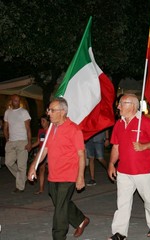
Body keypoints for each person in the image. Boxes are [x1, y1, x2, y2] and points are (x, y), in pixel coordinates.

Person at [28, 97, 89, 240]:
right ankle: (81, 219)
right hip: (53, 174)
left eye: (52, 110)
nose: (48, 113)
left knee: (60, 209)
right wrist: (33, 166)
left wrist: (80, 177)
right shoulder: (51, 128)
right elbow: (44, 150)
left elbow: (81, 154)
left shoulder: (74, 129)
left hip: (68, 175)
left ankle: (58, 236)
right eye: (49, 110)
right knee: (61, 202)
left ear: (62, 112)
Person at [107, 93, 150, 240]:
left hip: (143, 171)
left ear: (132, 105)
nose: (118, 107)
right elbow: (116, 146)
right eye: (119, 104)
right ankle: (120, 233)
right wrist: (111, 164)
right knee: (122, 203)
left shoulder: (144, 122)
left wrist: (144, 146)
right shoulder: (119, 124)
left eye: (121, 103)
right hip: (123, 171)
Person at [3, 94, 32, 193]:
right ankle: (23, 177)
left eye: (18, 100)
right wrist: (7, 140)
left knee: (21, 165)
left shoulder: (24, 112)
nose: (17, 102)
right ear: (11, 101)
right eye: (15, 100)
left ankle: (20, 187)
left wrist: (29, 142)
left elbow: (28, 128)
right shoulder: (7, 112)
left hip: (22, 141)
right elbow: (5, 127)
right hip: (11, 141)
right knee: (8, 162)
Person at [31, 114, 50, 194]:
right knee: (41, 169)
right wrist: (31, 146)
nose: (42, 123)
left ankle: (54, 187)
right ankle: (41, 188)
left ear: (48, 122)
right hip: (41, 152)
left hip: (50, 153)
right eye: (41, 121)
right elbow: (39, 142)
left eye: (44, 121)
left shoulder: (51, 131)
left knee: (50, 170)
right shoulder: (40, 131)